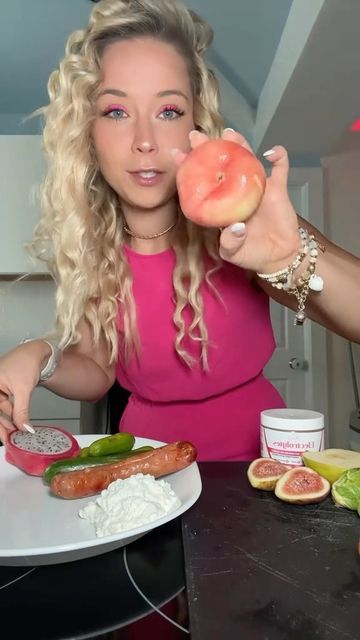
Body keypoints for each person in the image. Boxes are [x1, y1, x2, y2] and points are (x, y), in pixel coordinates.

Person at [0, 0, 359, 456]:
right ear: (87, 134)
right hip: (145, 467)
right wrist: (40, 357)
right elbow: (95, 371)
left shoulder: (239, 225)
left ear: (196, 123)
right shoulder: (93, 248)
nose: (145, 141)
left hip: (254, 474)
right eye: (116, 112)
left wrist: (289, 258)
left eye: (168, 111)